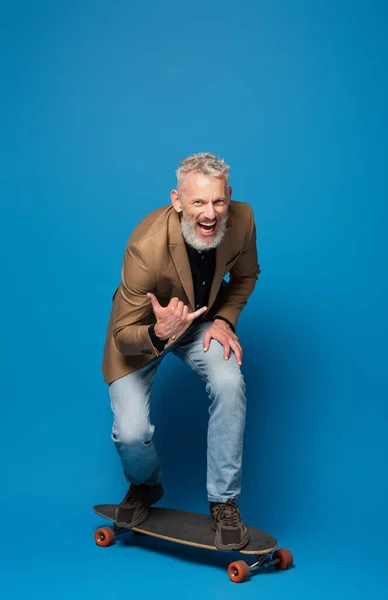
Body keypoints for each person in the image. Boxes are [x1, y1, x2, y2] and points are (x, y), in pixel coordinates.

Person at [101, 152, 260, 551]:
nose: (210, 214)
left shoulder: (242, 221)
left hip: (198, 320)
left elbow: (245, 276)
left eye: (218, 201)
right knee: (132, 434)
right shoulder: (145, 246)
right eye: (198, 203)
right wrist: (159, 331)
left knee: (229, 382)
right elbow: (123, 334)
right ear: (177, 200)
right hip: (144, 330)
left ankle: (224, 501)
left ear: (229, 196)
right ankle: (145, 486)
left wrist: (223, 320)